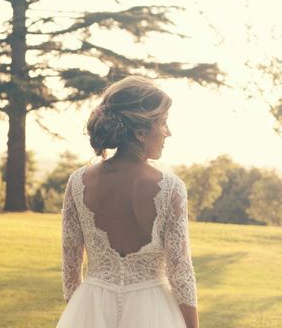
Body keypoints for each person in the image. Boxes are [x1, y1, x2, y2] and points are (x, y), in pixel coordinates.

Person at [56, 76, 199, 328]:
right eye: (163, 123)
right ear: (141, 132)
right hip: (154, 311)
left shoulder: (78, 183)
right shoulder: (171, 188)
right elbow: (181, 274)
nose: (169, 133)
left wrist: (81, 313)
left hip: (90, 305)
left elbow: (71, 268)